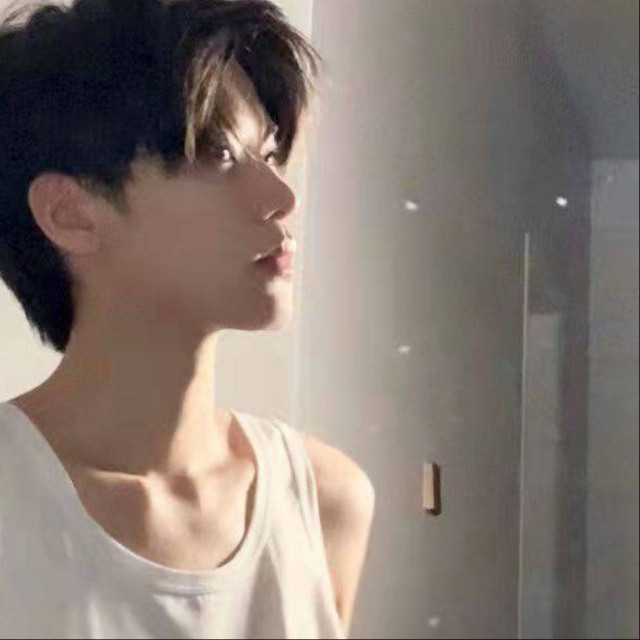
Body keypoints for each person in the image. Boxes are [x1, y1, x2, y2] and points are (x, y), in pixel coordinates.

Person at [0, 1, 375, 637]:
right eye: (219, 153)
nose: (281, 198)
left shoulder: (326, 499)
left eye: (271, 154)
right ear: (71, 213)